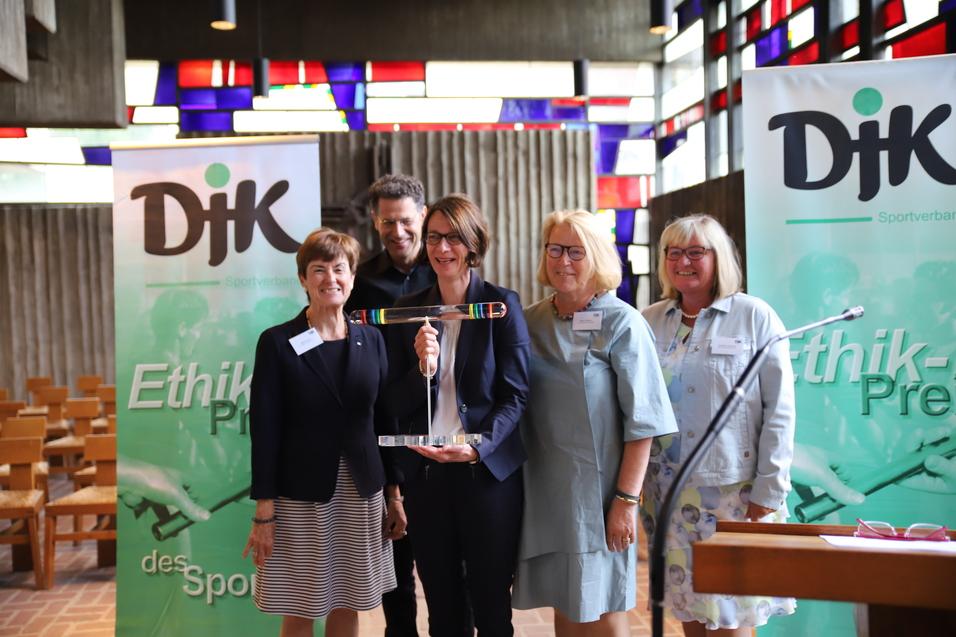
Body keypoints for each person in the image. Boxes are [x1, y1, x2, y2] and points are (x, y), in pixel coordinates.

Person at [512, 210, 678, 636]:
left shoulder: (623, 323)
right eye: (555, 249)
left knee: (603, 609)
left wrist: (626, 501)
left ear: (598, 256)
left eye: (576, 251)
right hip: (543, 493)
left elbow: (644, 423)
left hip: (600, 497)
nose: (563, 260)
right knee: (566, 606)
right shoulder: (529, 321)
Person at [244, 228, 407, 637]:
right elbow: (265, 429)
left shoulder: (372, 340)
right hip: (300, 496)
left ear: (352, 277)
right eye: (319, 269)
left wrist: (395, 494)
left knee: (349, 601)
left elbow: (384, 420)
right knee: (300, 606)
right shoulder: (277, 342)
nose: (330, 278)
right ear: (303, 278)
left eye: (339, 268)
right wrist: (265, 510)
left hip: (361, 491)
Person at [640, 214, 797, 636]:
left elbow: (780, 408)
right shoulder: (649, 320)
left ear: (719, 258)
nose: (683, 262)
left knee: (732, 619)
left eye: (696, 252)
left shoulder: (754, 316)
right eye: (674, 252)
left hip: (734, 495)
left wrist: (770, 487)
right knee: (688, 611)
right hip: (666, 492)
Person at [385, 193, 530, 636]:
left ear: (473, 243)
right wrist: (423, 369)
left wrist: (477, 447)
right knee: (443, 611)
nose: (442, 248)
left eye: (453, 238)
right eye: (433, 237)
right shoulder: (409, 311)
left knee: (491, 608)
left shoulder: (501, 305)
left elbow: (516, 395)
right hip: (427, 477)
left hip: (486, 476)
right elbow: (394, 403)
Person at [345, 174, 438, 637]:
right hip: (386, 434)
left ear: (423, 215)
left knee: (447, 578)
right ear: (374, 221)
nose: (397, 232)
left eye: (405, 220)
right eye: (387, 222)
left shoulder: (446, 269)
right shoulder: (360, 282)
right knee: (395, 583)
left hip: (443, 434)